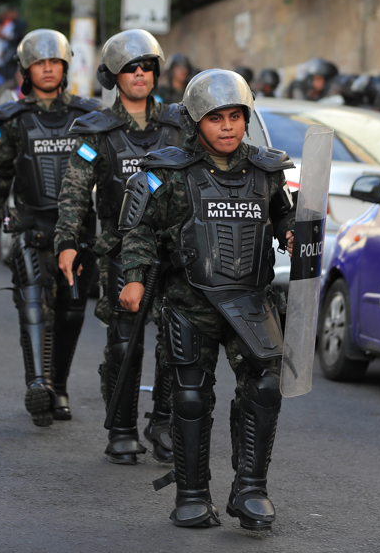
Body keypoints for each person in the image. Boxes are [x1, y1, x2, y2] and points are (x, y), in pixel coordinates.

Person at [119, 69, 295, 530]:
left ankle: (251, 488)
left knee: (265, 389)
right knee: (192, 398)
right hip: (191, 301)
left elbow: (283, 218)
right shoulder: (170, 172)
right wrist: (134, 278)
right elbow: (139, 229)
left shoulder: (267, 170)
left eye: (236, 116)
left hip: (252, 301)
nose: (228, 126)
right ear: (196, 122)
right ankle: (193, 495)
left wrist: (294, 234)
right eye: (216, 118)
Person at [55, 29, 181, 465]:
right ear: (113, 76)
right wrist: (67, 242)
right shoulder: (98, 131)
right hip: (119, 248)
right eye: (131, 68)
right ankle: (123, 427)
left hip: (175, 251)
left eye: (147, 66)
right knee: (125, 343)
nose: (141, 74)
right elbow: (74, 190)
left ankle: (164, 424)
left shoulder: (180, 125)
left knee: (177, 343)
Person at [0, 29, 101, 427]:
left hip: (79, 231)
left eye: (54, 62)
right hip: (30, 226)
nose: (47, 69)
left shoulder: (88, 117)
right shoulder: (13, 120)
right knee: (32, 306)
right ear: (26, 70)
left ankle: (58, 387)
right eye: (39, 63)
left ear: (64, 68)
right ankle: (38, 384)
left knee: (70, 312)